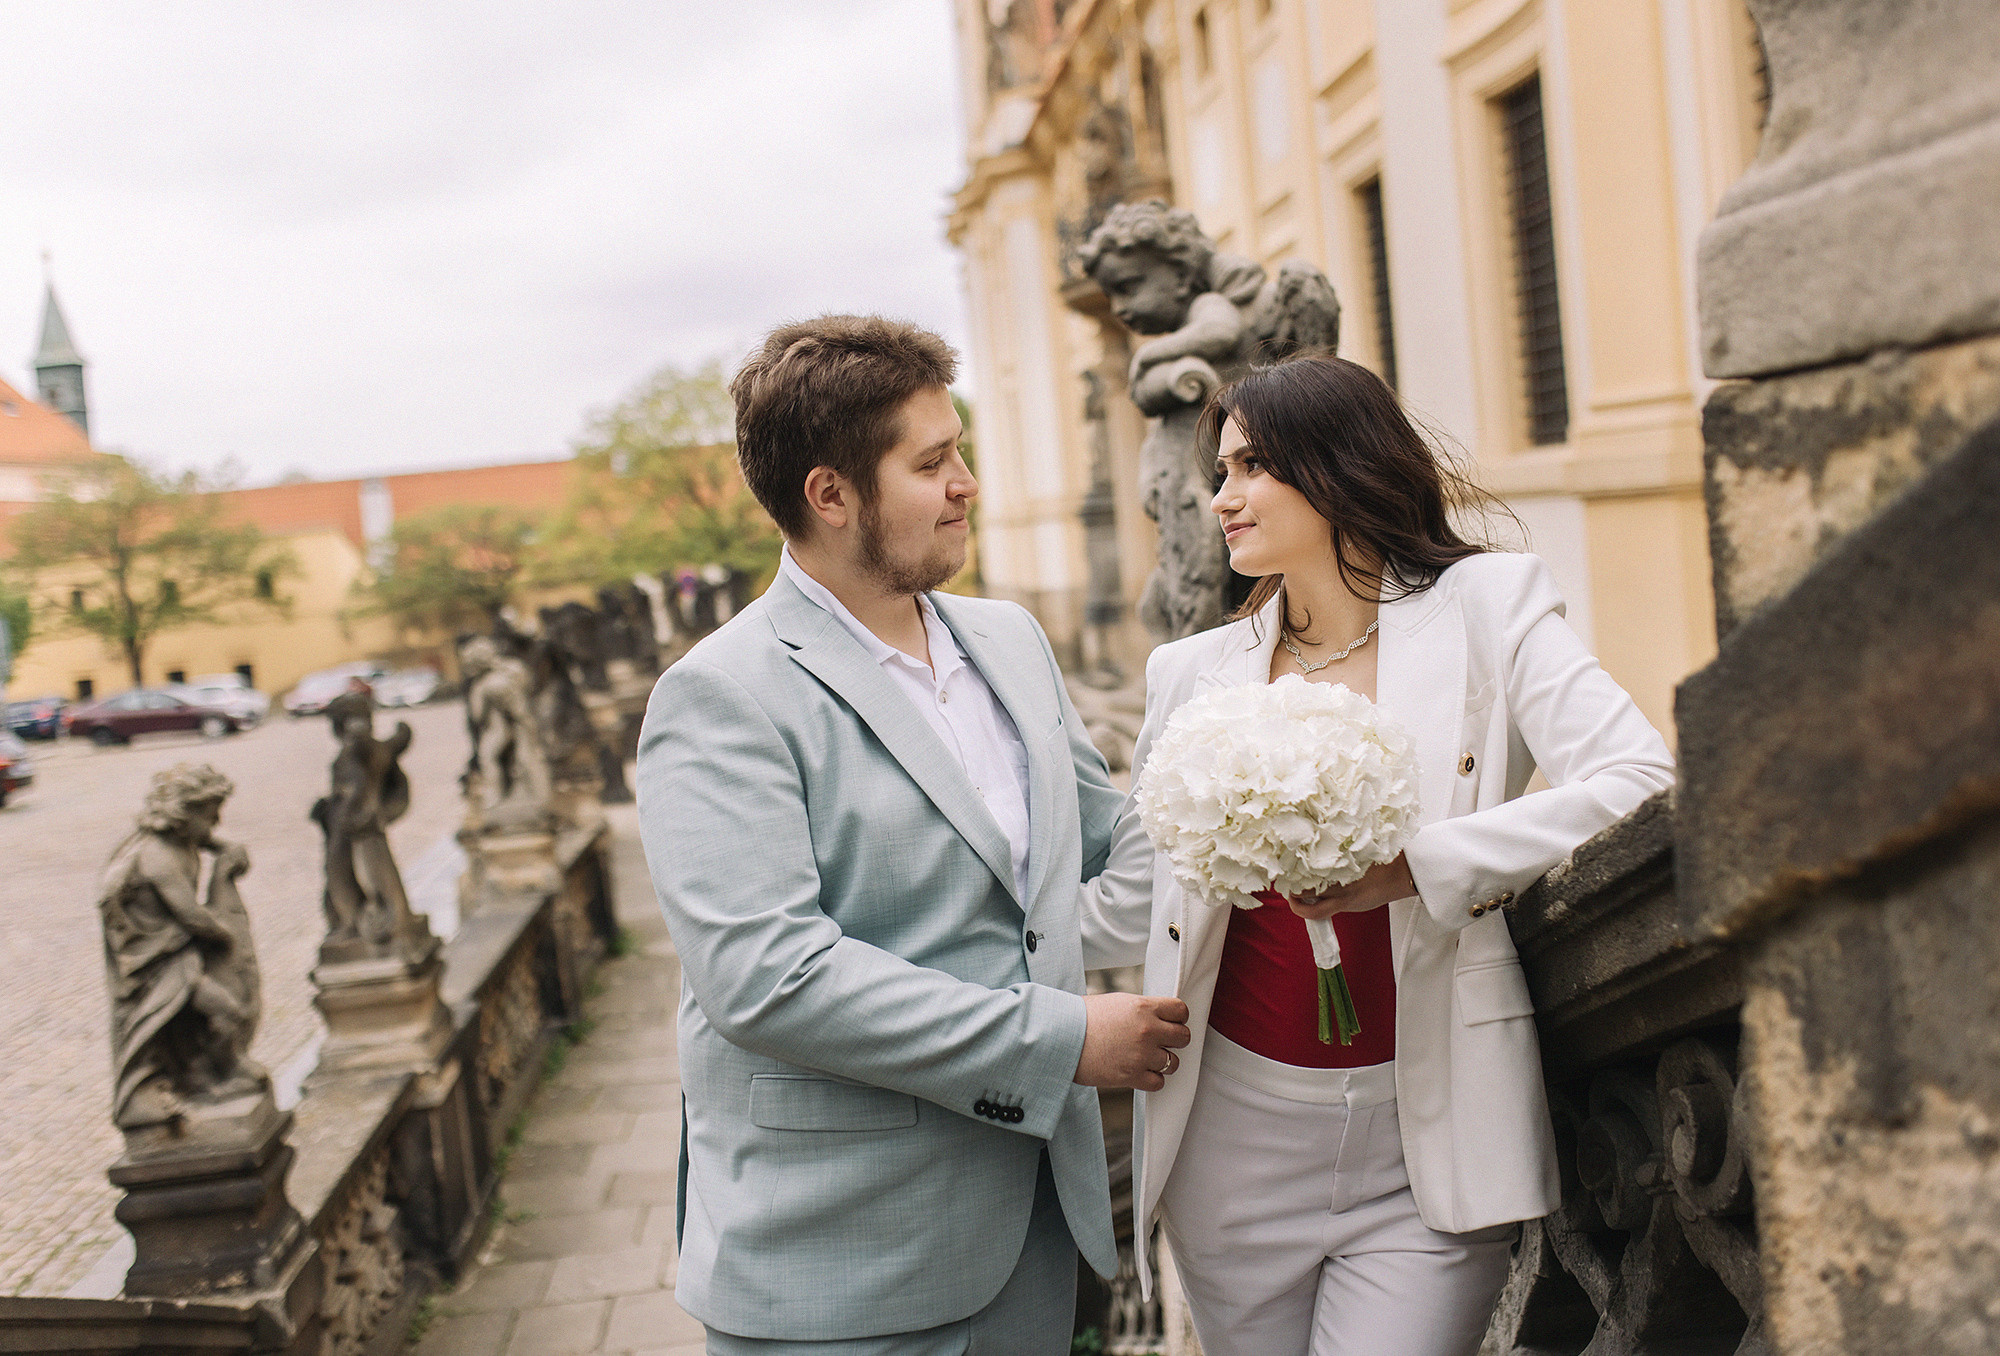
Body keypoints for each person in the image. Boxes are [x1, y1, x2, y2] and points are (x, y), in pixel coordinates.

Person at [1080, 354, 1675, 1356]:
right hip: (1229, 1134)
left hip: (1431, 1129)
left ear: (1338, 465)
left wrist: (1417, 865)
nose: (1220, 498)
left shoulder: (1489, 606)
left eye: (1249, 467)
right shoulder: (1191, 672)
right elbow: (1133, 896)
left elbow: (1638, 782)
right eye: (1218, 473)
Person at [635, 315, 1192, 1355]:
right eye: (931, 463)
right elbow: (767, 976)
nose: (966, 483)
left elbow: (1103, 839)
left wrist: (1264, 796)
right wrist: (1063, 1040)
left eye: (960, 451)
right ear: (830, 494)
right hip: (840, 1258)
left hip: (1031, 1227)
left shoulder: (1007, 638)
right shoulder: (719, 695)